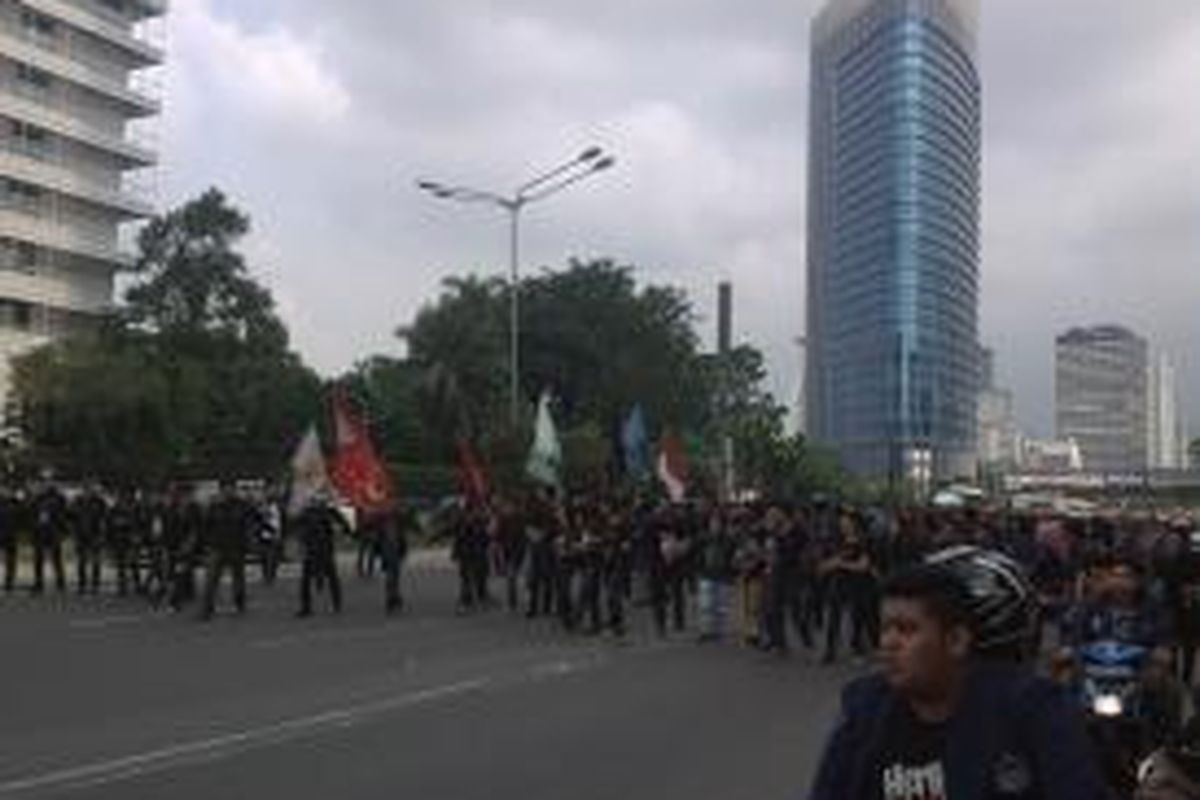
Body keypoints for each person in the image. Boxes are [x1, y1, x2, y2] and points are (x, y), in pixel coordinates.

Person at [809, 545, 1109, 800]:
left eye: (906, 630)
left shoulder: (1036, 711)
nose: (888, 643)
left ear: (957, 640)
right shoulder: (866, 709)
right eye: (885, 628)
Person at [200, 481, 252, 620]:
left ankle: (240, 603)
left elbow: (247, 525)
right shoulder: (214, 506)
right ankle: (207, 609)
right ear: (221, 490)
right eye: (225, 489)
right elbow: (206, 525)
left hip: (236, 547)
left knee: (238, 579)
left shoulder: (242, 505)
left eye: (231, 489)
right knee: (211, 579)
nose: (228, 492)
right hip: (217, 546)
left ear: (234, 490)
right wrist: (206, 544)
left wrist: (246, 544)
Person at [295, 492, 347, 617]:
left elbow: (296, 526)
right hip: (322, 548)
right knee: (329, 577)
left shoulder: (310, 512)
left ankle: (307, 607)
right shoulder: (325, 512)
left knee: (309, 579)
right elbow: (344, 525)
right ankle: (335, 604)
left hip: (317, 549)